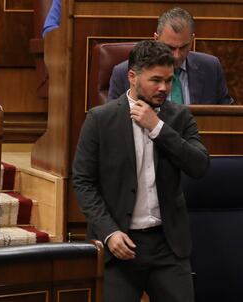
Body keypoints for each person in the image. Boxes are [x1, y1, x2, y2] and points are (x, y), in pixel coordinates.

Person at [73, 40, 209, 301]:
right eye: (155, 80)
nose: (163, 88)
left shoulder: (179, 117)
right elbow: (83, 181)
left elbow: (199, 165)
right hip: (119, 245)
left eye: (169, 81)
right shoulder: (100, 119)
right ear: (132, 77)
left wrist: (157, 127)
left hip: (167, 246)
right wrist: (109, 232)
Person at [108, 7, 234, 105]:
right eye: (170, 48)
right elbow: (112, 121)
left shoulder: (210, 67)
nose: (177, 56)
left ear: (193, 40)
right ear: (156, 39)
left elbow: (227, 116)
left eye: (184, 47)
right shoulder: (124, 72)